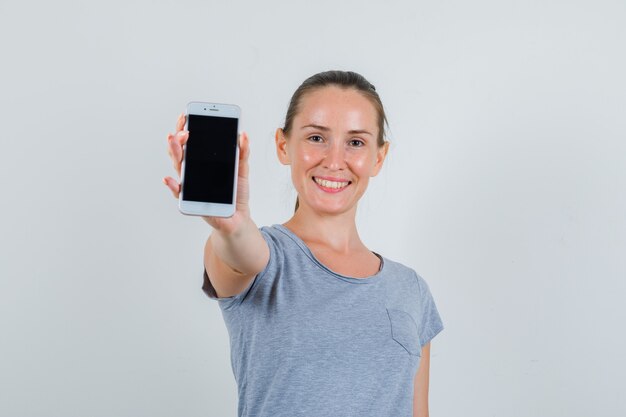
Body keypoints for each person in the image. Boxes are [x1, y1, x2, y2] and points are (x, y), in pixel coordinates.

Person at [163, 70, 443, 417]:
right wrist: (231, 225)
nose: (334, 161)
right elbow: (240, 253)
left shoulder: (411, 290)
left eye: (355, 142)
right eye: (316, 138)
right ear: (284, 145)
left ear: (378, 157)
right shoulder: (265, 259)